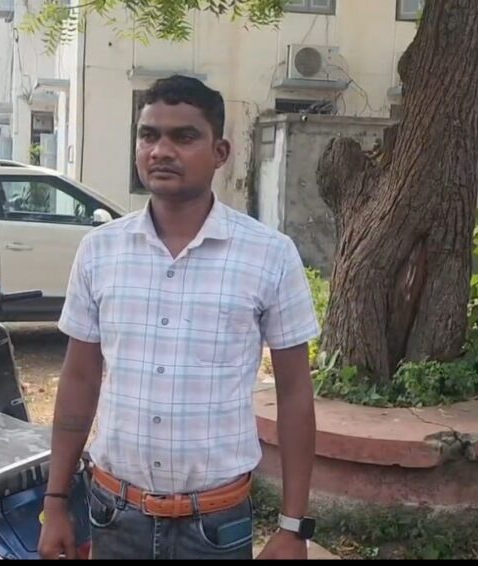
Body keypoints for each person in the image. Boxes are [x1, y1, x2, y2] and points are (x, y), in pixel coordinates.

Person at [39, 75, 319, 560]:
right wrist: (56, 501)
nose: (161, 151)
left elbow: (295, 392)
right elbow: (80, 378)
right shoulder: (99, 251)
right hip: (114, 515)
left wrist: (293, 528)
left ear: (220, 151)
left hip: (216, 525)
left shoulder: (269, 255)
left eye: (183, 137)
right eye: (148, 135)